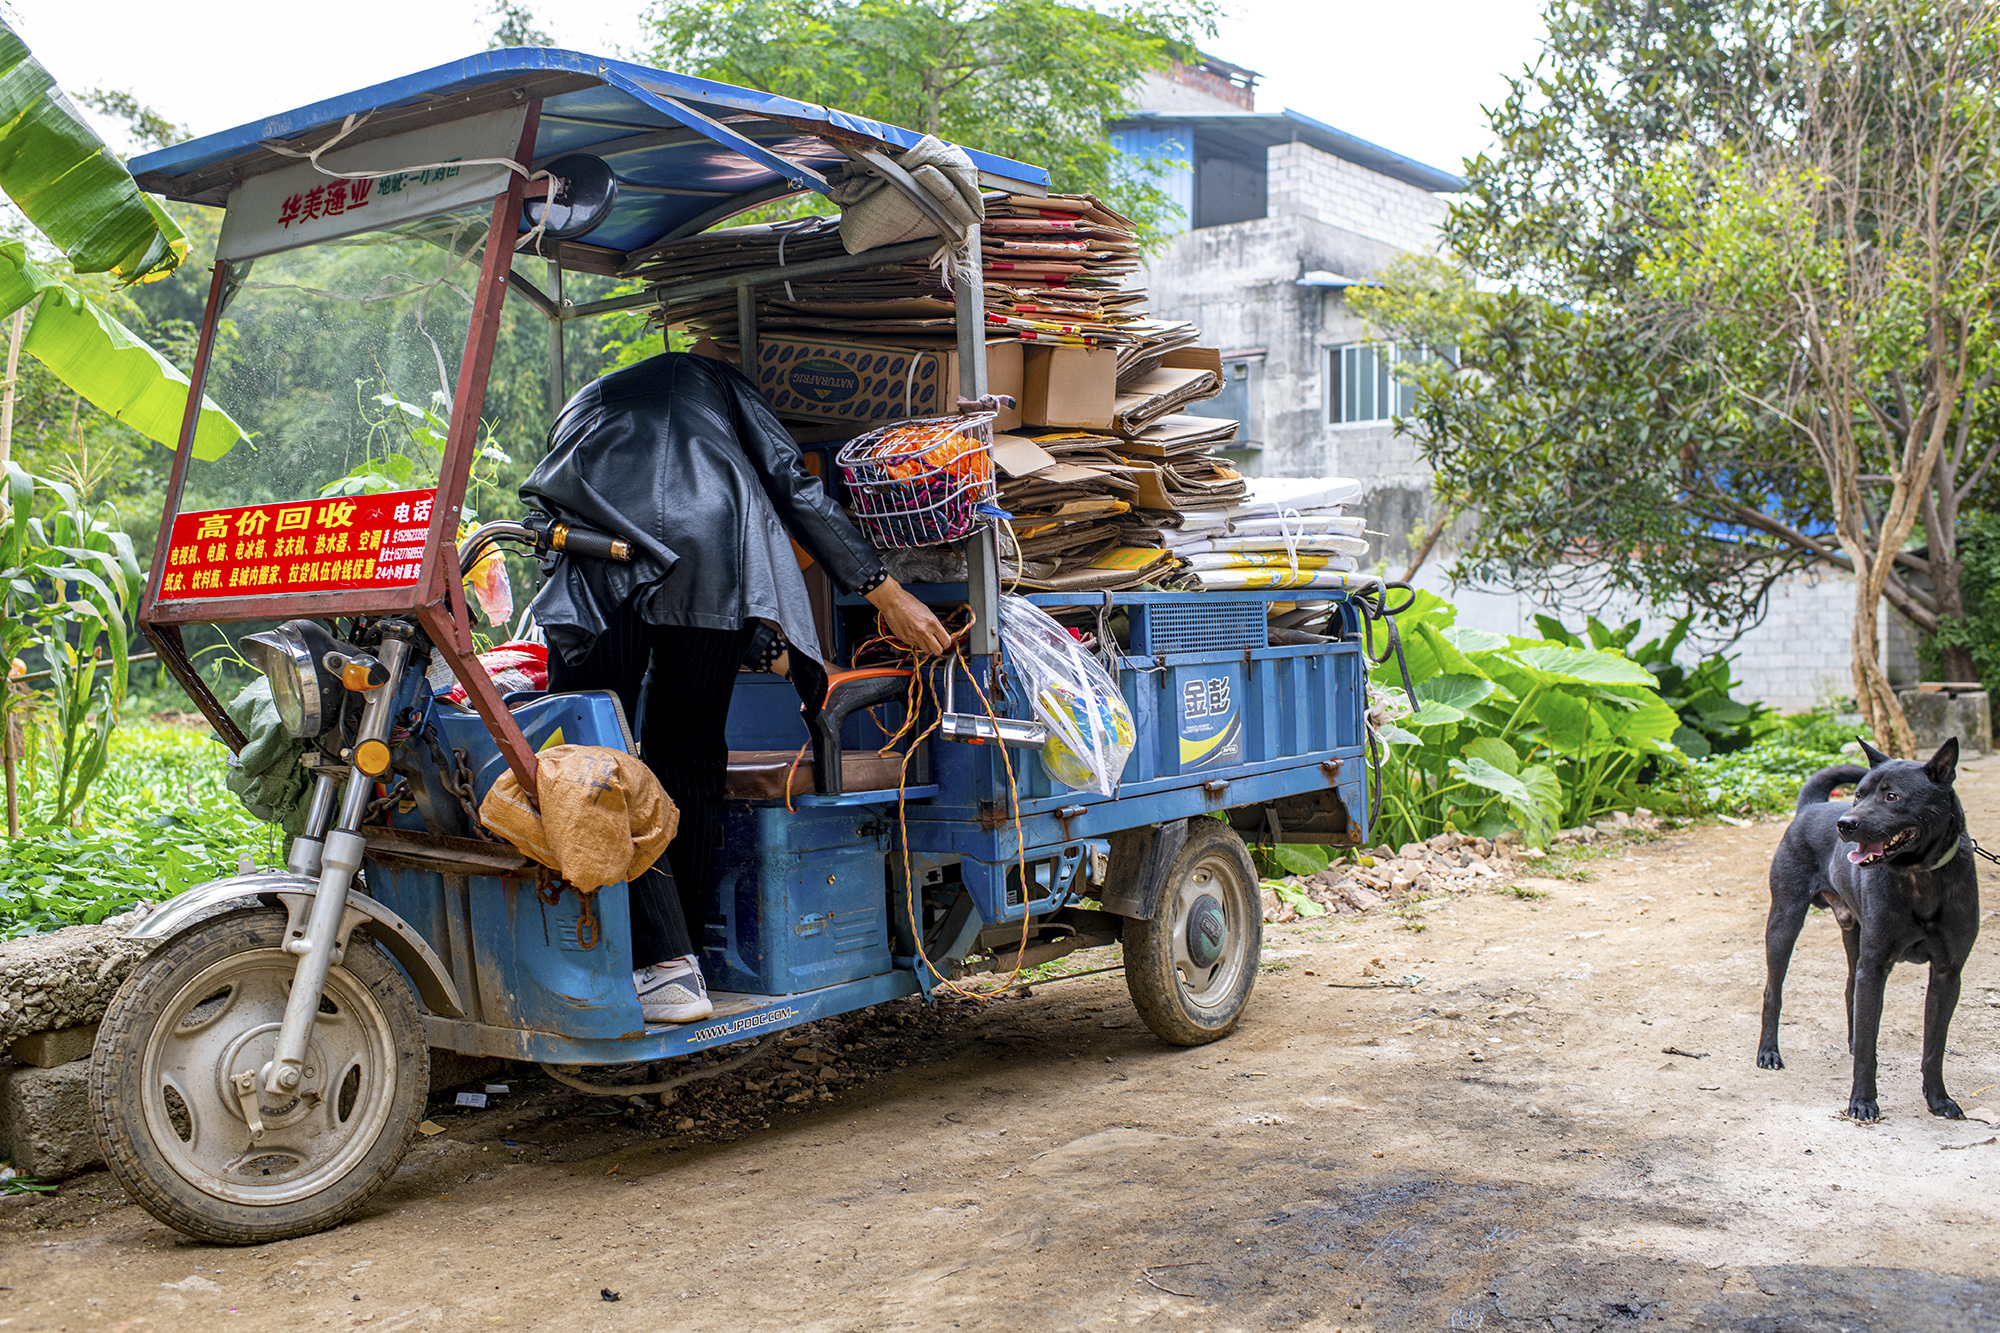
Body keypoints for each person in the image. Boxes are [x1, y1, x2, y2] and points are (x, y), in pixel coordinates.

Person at [520, 351, 950, 1023]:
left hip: (594, 548)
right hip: (713, 538)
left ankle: (599, 950)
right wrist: (885, 591)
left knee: (589, 760)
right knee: (686, 755)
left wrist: (780, 656)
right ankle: (679, 965)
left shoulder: (586, 402)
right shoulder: (719, 381)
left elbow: (569, 518)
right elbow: (791, 485)